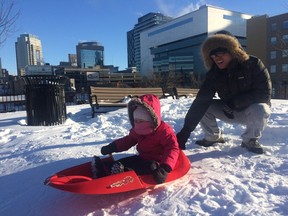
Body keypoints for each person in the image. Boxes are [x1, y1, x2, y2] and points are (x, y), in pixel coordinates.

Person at [176, 30, 272, 154]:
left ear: (233, 51)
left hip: (251, 111)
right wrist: (186, 130)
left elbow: (264, 94)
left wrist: (235, 102)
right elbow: (201, 101)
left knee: (262, 108)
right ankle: (213, 137)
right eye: (213, 55)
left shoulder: (253, 64)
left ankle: (250, 140)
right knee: (205, 105)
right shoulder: (214, 74)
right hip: (228, 111)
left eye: (220, 52)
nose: (217, 58)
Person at [92, 94, 180, 184]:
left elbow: (172, 148)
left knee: (150, 167)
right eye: (136, 121)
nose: (138, 123)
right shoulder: (138, 130)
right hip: (142, 157)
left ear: (152, 119)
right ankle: (105, 169)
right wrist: (113, 146)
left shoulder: (164, 131)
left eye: (141, 121)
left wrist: (164, 168)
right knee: (124, 162)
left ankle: (124, 173)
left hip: (157, 162)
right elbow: (128, 141)